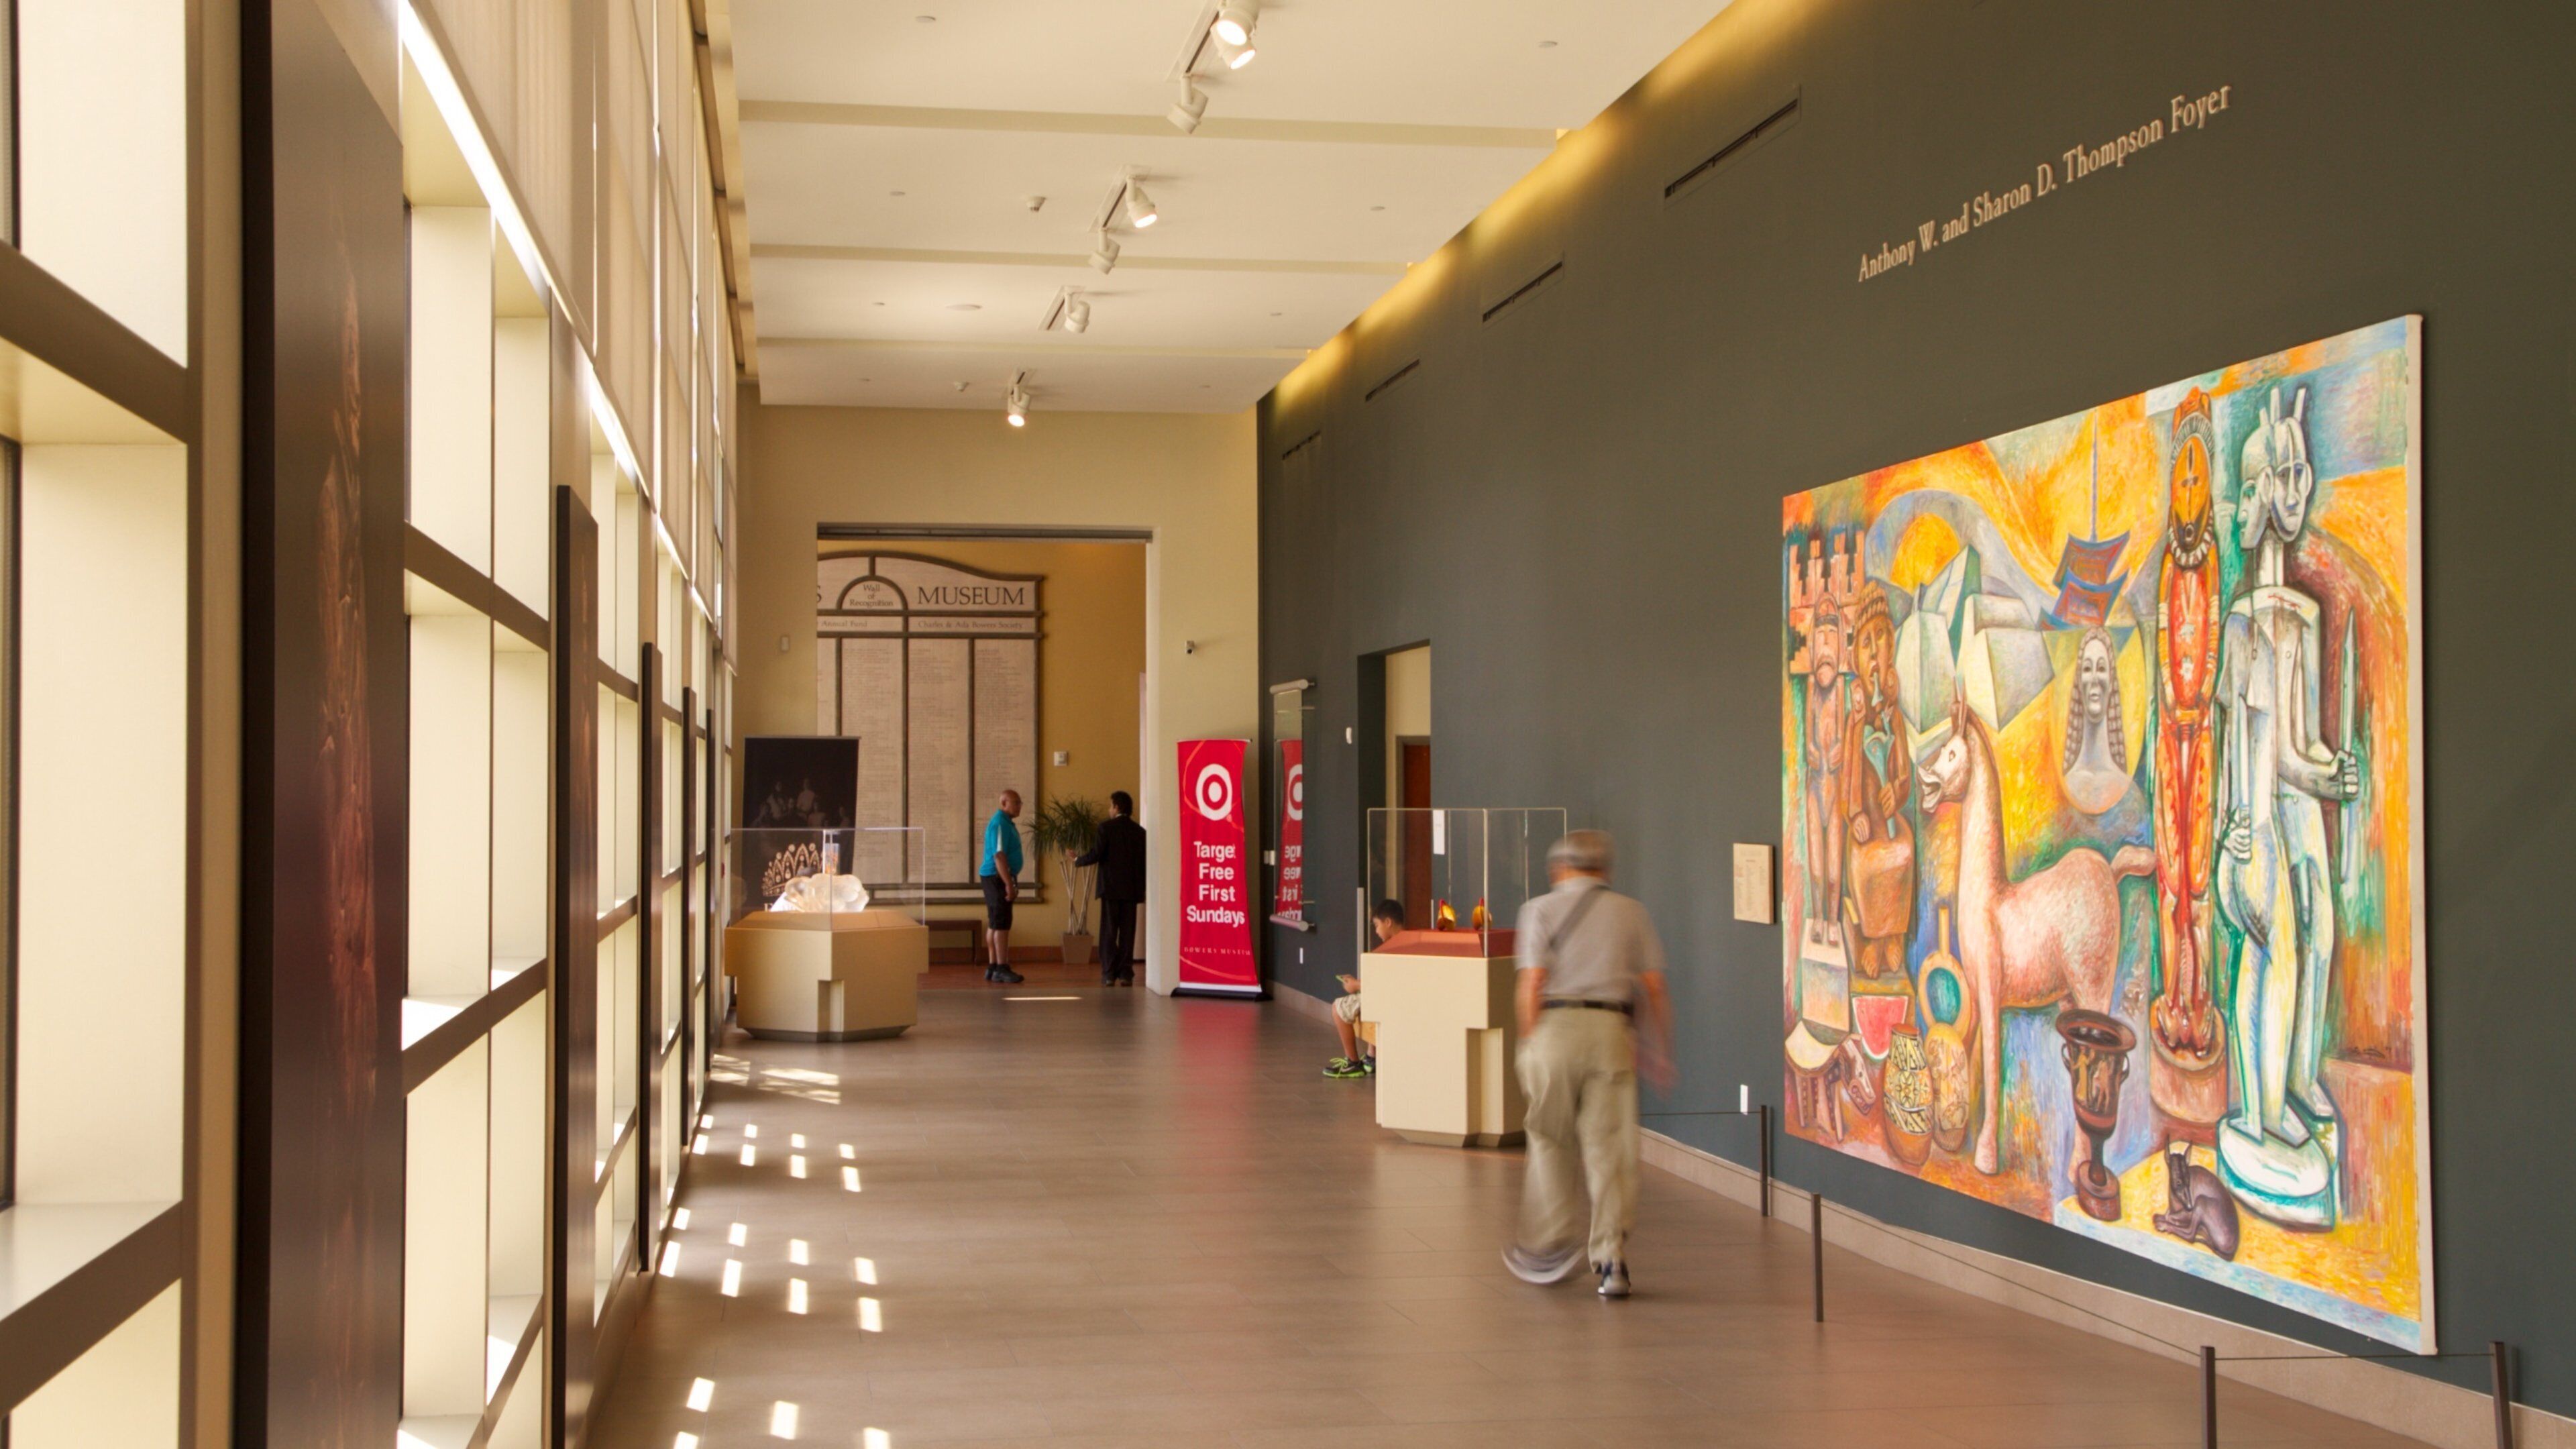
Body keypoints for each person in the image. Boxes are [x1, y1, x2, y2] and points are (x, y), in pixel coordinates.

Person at [1501, 830, 1673, 1299]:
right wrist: (1658, 1049)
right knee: (1610, 1149)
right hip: (1611, 1033)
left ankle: (1553, 1243)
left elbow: (1532, 982)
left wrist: (1529, 1044)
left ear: (1559, 868)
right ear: (1605, 869)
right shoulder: (1631, 912)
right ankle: (1611, 1260)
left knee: (1549, 1138)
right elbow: (1654, 987)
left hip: (1554, 1030)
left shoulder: (1538, 910)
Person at [1326, 900, 1405, 1078]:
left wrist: (1355, 986)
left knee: (1338, 1008)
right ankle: (1371, 1057)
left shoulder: (1392, 949)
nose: (1376, 931)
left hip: (1390, 999)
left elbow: (1384, 984)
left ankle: (1353, 1062)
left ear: (1388, 922)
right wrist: (1358, 983)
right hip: (1396, 997)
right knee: (1368, 1002)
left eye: (1377, 925)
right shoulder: (1409, 942)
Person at [1075, 790, 1147, 987]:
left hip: (1110, 888)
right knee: (1127, 933)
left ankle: (1108, 973)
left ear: (1117, 807)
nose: (1109, 810)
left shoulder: (1105, 828)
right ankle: (1125, 973)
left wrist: (1078, 860)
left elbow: (1096, 854)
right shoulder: (1140, 832)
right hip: (1132, 890)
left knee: (1109, 932)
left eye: (1110, 806)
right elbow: (1143, 863)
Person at [980, 789, 1026, 984]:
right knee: (1001, 924)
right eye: (1015, 803)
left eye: (1020, 803)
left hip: (995, 877)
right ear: (1004, 803)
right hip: (997, 877)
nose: (1019, 806)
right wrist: (1008, 884)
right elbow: (999, 856)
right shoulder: (999, 823)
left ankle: (992, 967)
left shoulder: (1005, 823)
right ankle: (1001, 968)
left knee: (995, 922)